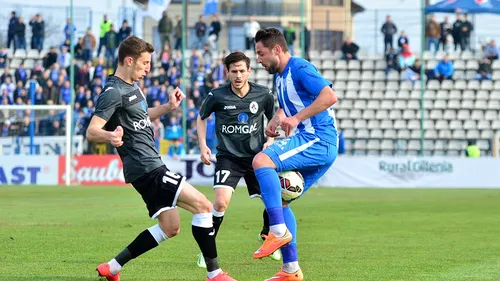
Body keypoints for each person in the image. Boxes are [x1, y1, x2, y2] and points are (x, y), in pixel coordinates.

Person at [86, 36, 236, 281]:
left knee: (170, 227)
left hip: (148, 167)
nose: (148, 68)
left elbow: (143, 116)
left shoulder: (133, 87)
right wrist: (110, 136)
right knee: (204, 206)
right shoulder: (113, 92)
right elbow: (92, 130)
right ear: (129, 60)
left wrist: (167, 107)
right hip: (147, 167)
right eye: (145, 63)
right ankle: (215, 274)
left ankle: (112, 267)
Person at [252, 28, 339, 281]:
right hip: (315, 142)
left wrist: (297, 118)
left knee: (261, 160)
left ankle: (277, 231)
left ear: (277, 49)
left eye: (261, 53)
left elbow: (329, 96)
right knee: (281, 201)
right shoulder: (280, 77)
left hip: (317, 139)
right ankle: (291, 270)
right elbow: (288, 106)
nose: (258, 59)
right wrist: (277, 120)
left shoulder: (300, 68)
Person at [196, 51, 280, 268]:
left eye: (242, 70)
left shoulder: (263, 94)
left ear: (249, 71)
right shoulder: (217, 96)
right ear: (227, 72)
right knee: (221, 202)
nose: (238, 75)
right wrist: (203, 145)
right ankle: (207, 251)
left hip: (257, 158)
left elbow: (273, 118)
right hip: (228, 157)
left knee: (275, 198)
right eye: (234, 71)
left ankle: (267, 237)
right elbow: (201, 117)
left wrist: (269, 143)